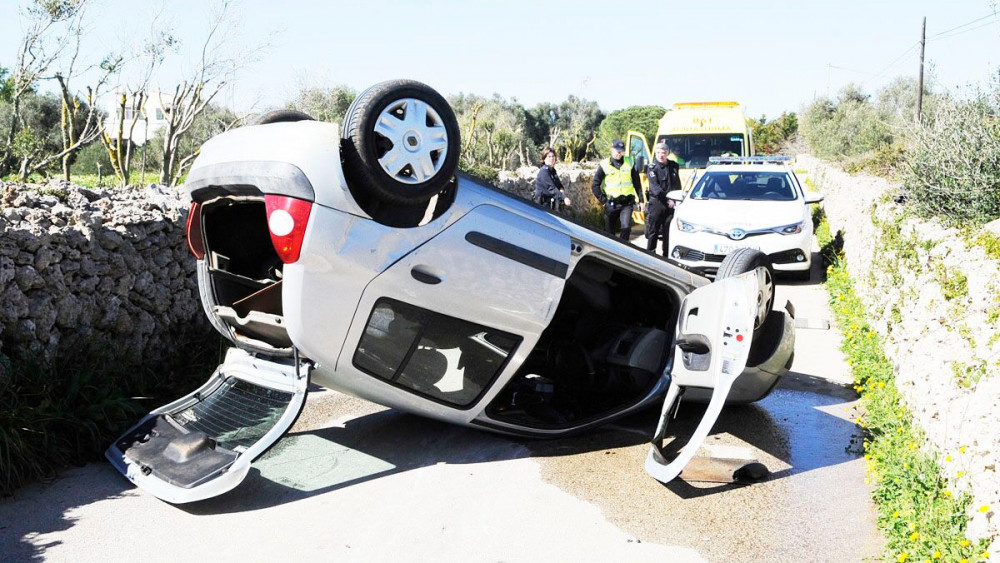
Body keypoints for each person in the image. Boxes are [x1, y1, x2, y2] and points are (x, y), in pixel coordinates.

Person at [591, 139, 644, 240]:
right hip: (611, 204)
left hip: (626, 203)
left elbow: (637, 182)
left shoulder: (630, 162)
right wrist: (604, 201)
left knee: (626, 228)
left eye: (621, 151)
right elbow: (595, 186)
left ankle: (623, 251)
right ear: (612, 149)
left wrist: (641, 200)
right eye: (617, 150)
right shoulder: (604, 165)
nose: (619, 153)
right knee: (609, 234)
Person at [645, 142, 680, 255]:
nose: (661, 155)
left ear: (667, 153)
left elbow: (677, 185)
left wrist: (676, 199)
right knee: (653, 231)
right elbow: (656, 189)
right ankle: (650, 253)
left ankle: (666, 255)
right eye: (658, 153)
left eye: (663, 152)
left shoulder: (674, 166)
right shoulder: (652, 168)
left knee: (668, 231)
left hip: (671, 204)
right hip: (657, 203)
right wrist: (668, 200)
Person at [534, 147, 571, 211]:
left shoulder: (552, 171)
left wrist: (561, 189)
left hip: (550, 204)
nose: (551, 158)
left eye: (553, 156)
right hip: (541, 206)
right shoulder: (544, 172)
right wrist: (564, 198)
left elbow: (558, 184)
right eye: (549, 157)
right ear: (544, 159)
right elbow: (551, 188)